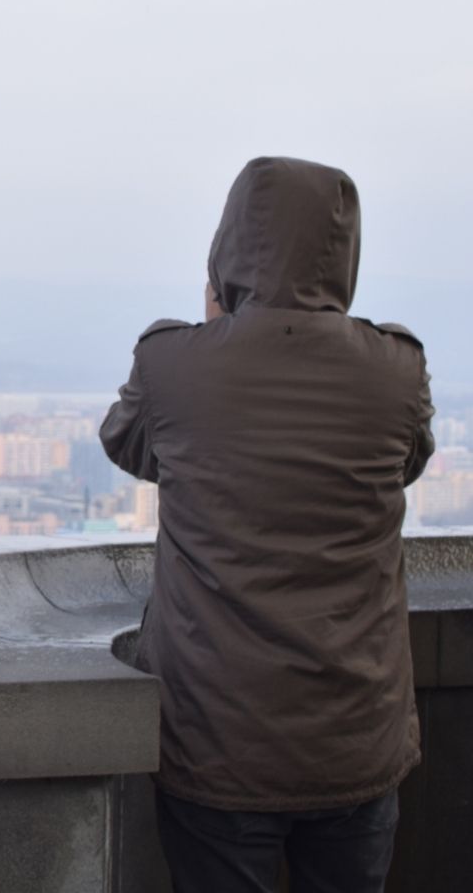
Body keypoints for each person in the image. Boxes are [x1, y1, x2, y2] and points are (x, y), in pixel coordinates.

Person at [101, 156, 436, 893]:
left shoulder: (173, 364)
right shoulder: (396, 369)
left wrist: (220, 320)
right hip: (357, 737)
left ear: (228, 249)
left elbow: (126, 443)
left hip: (218, 743)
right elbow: (403, 466)